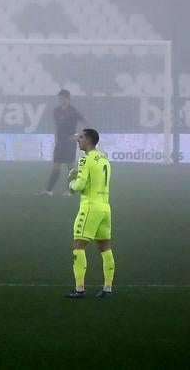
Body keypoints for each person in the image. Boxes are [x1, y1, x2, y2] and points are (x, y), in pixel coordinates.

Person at [66, 128, 114, 298]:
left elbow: (79, 186)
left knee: (78, 246)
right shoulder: (104, 159)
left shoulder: (84, 159)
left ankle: (79, 289)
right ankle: (108, 288)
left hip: (90, 208)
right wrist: (80, 173)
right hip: (105, 208)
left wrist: (70, 184)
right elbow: (95, 179)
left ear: (89, 140)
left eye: (81, 137)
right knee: (105, 248)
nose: (78, 140)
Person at [45, 90, 85, 195]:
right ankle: (49, 191)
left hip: (70, 143)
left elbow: (86, 124)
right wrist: (56, 138)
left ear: (68, 99)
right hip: (60, 143)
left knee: (70, 167)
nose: (61, 100)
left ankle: (69, 190)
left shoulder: (73, 111)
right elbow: (57, 126)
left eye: (63, 98)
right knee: (56, 167)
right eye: (60, 98)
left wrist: (77, 136)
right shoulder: (56, 111)